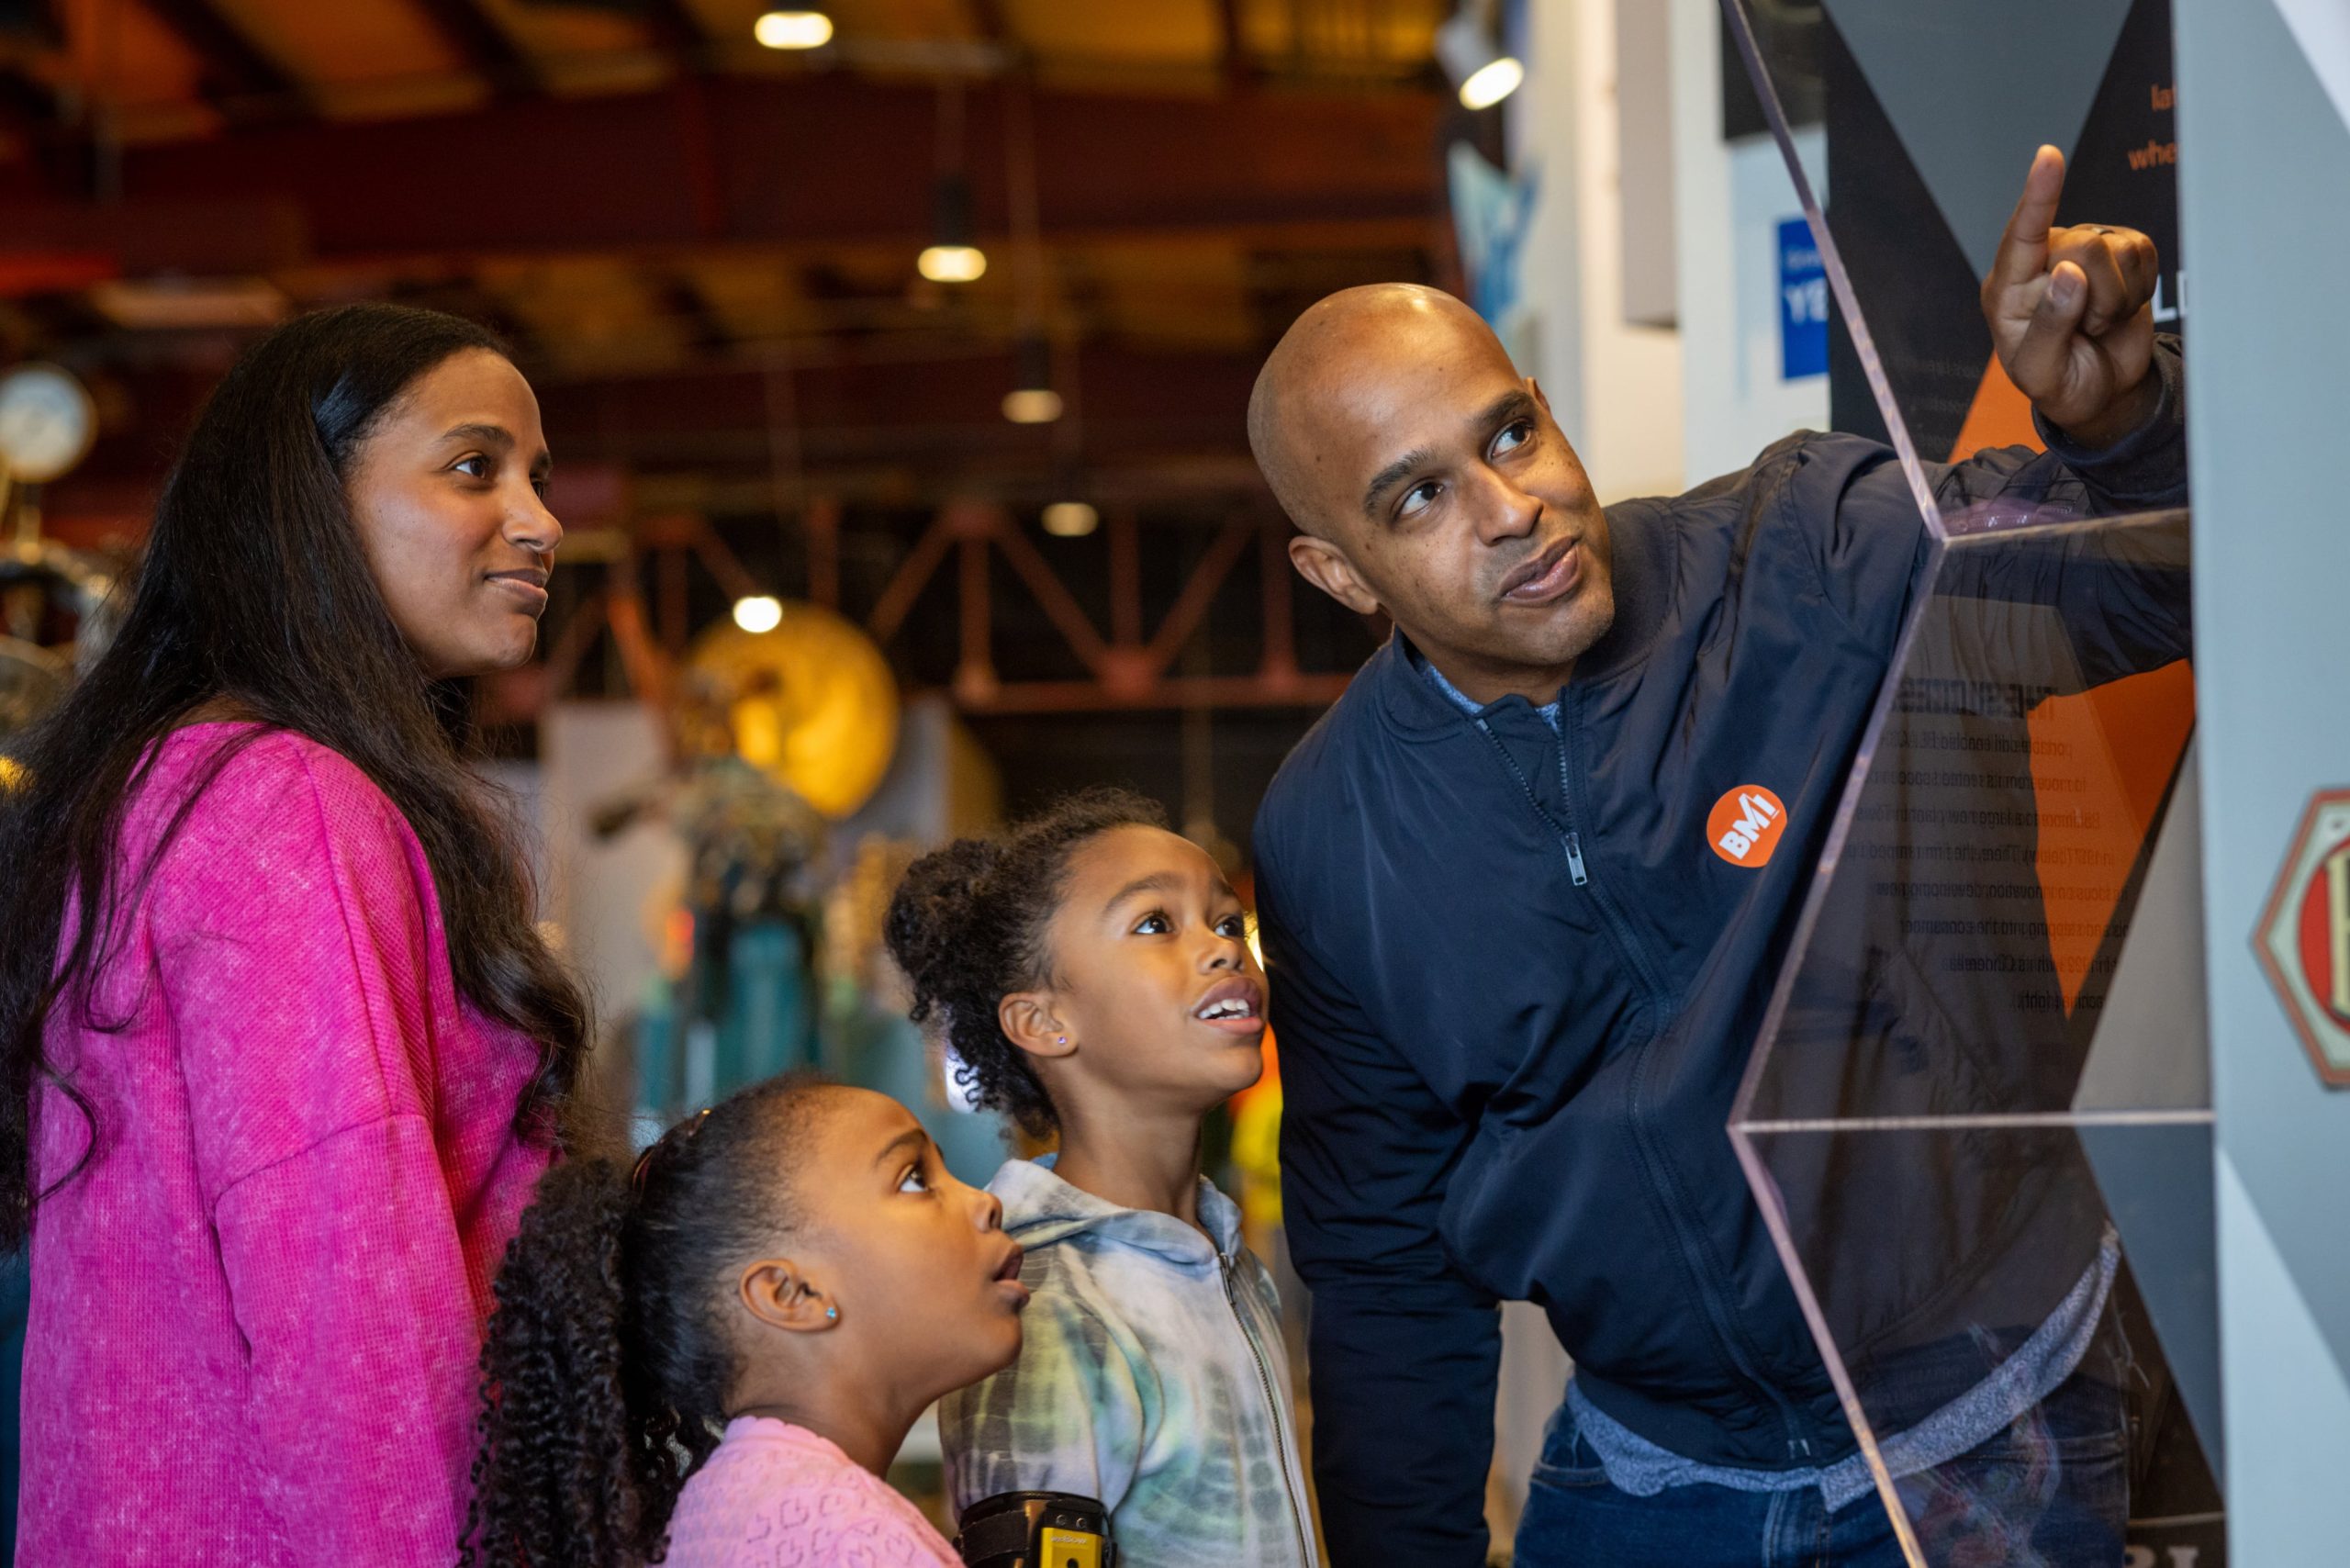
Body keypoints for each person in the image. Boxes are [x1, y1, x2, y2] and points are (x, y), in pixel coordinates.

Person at [1246, 147, 2186, 1565]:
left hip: (1984, 1421)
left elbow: (2148, 588)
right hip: (1651, 1470)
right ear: (1336, 572)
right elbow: (1383, 1269)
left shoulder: (1810, 550)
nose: (1510, 510)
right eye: (1417, 500)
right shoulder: (1329, 832)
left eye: (1509, 436)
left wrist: (2126, 430)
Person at [0, 304, 590, 1564]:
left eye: (535, 475)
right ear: (306, 506)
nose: (541, 521)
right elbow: (348, 1321)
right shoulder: (286, 803)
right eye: (474, 466)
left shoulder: (170, 786)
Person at [885, 790, 1320, 1568]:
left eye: (1226, 921)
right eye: (1156, 923)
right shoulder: (1036, 1302)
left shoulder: (1226, 1260)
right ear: (1044, 1022)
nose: (1225, 949)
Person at [461, 1076, 1029, 1568]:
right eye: (913, 1179)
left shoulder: (723, 1507)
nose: (985, 1202)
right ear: (790, 1294)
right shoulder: (855, 1541)